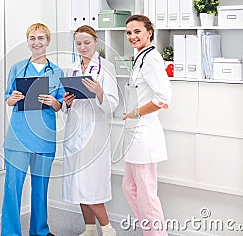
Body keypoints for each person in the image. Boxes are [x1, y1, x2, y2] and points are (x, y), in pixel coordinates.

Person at [1, 23, 65, 236]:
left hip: (44, 137)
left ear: (48, 41)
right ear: (27, 41)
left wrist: (51, 102)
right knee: (12, 189)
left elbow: (60, 106)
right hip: (18, 137)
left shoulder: (56, 72)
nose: (36, 42)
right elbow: (8, 99)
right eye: (32, 38)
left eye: (41, 38)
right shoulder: (17, 68)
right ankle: (10, 233)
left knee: (40, 189)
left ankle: (39, 230)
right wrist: (12, 98)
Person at [62, 25, 119, 236]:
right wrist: (66, 103)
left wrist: (99, 91)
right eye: (79, 43)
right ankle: (89, 229)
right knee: (77, 185)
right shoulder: (71, 68)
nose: (83, 47)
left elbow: (113, 104)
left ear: (96, 42)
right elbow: (66, 108)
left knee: (91, 186)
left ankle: (108, 229)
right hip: (74, 134)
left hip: (95, 136)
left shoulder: (107, 68)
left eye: (87, 42)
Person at [121, 14, 172, 236]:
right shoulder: (140, 57)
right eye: (129, 33)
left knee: (147, 193)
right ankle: (150, 231)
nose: (132, 36)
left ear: (149, 32)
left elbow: (163, 99)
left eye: (137, 31)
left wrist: (135, 112)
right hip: (135, 134)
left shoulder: (151, 59)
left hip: (145, 134)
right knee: (129, 188)